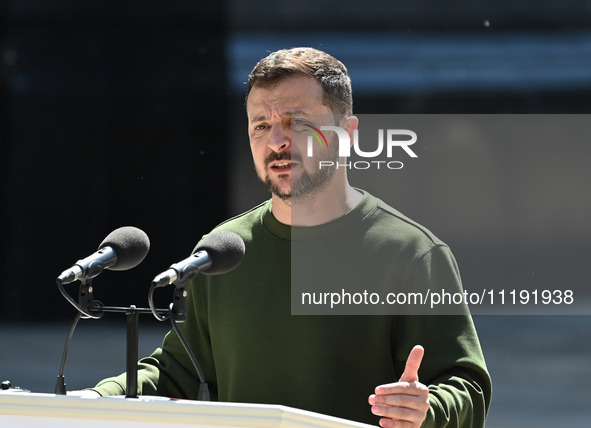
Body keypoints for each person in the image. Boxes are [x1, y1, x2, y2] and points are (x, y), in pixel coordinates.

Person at [86, 47, 492, 427]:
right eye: (261, 125)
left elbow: (466, 387)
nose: (277, 141)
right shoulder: (223, 249)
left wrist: (427, 408)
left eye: (296, 122)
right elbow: (179, 370)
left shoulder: (411, 253)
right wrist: (97, 398)